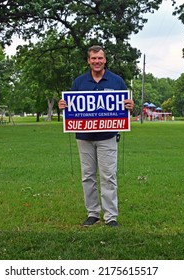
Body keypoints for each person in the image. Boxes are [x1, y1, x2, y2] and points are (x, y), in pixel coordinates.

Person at [58, 45, 134, 227]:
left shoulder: (117, 82)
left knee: (108, 176)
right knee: (88, 176)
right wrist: (63, 106)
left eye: (100, 58)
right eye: (93, 58)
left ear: (105, 60)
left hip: (108, 136)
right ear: (88, 61)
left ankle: (110, 216)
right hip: (84, 137)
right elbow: (72, 108)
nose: (97, 61)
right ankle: (92, 213)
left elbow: (126, 110)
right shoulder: (79, 82)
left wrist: (131, 107)